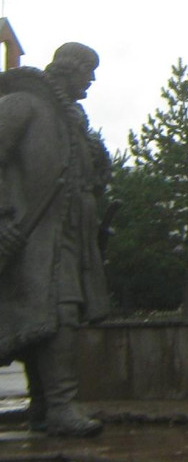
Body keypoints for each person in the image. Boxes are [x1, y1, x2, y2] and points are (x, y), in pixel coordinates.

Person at [0, 43, 111, 437]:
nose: (93, 79)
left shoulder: (71, 118)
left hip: (69, 235)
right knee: (58, 313)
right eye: (88, 70)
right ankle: (61, 406)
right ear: (69, 68)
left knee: (50, 316)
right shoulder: (23, 105)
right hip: (32, 232)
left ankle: (43, 407)